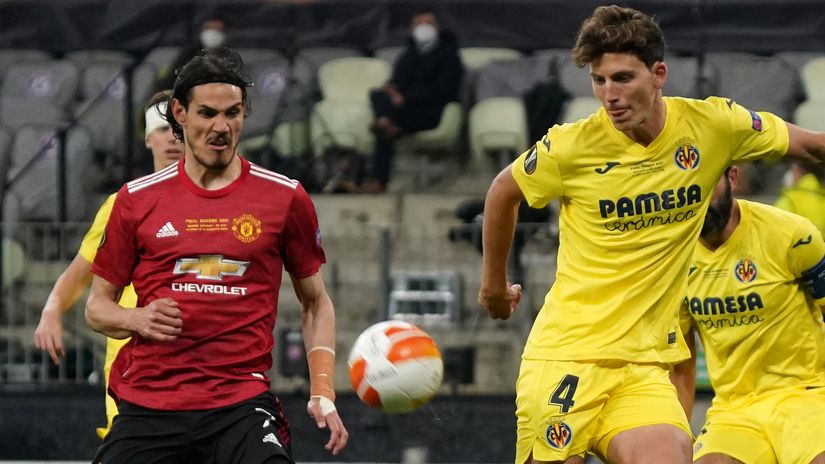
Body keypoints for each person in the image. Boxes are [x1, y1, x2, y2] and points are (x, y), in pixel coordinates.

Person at [477, 5, 825, 464]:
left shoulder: (712, 127)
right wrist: (494, 288)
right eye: (599, 81)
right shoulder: (571, 146)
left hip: (643, 369)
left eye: (622, 78)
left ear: (658, 74)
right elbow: (503, 192)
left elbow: (810, 145)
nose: (609, 95)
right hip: (567, 358)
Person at [85, 47, 347, 462]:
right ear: (179, 113)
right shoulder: (135, 200)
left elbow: (315, 301)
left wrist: (323, 391)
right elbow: (97, 308)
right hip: (151, 405)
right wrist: (136, 317)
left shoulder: (284, 197)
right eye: (207, 113)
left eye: (233, 113)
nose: (222, 127)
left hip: (240, 405)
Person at [33, 89, 184, 439]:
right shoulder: (124, 204)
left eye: (178, 129)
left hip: (194, 368)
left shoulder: (217, 206)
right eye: (161, 128)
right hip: (131, 367)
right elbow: (81, 270)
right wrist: (52, 309)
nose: (171, 138)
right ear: (147, 137)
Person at [671, 166, 825, 464]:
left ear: (732, 177)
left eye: (706, 185)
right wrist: (678, 439)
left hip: (808, 398)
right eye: (686, 190)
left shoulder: (792, 234)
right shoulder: (673, 260)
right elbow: (681, 364)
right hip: (734, 410)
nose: (697, 200)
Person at [360, 7, 464, 193]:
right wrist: (391, 90)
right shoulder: (408, 54)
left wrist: (406, 96)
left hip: (431, 110)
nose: (423, 28)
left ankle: (386, 126)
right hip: (403, 110)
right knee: (378, 96)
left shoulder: (449, 55)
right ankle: (386, 126)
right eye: (419, 24)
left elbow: (445, 91)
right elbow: (397, 82)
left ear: (438, 27)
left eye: (428, 23)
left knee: (385, 126)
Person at [155, 18, 228, 92]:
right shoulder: (187, 56)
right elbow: (170, 82)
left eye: (218, 29)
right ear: (202, 31)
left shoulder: (230, 59)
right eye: (209, 28)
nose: (213, 33)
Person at [774, 158, 825, 237]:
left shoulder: (789, 200)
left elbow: (777, 235)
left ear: (800, 171)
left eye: (792, 168)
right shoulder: (822, 196)